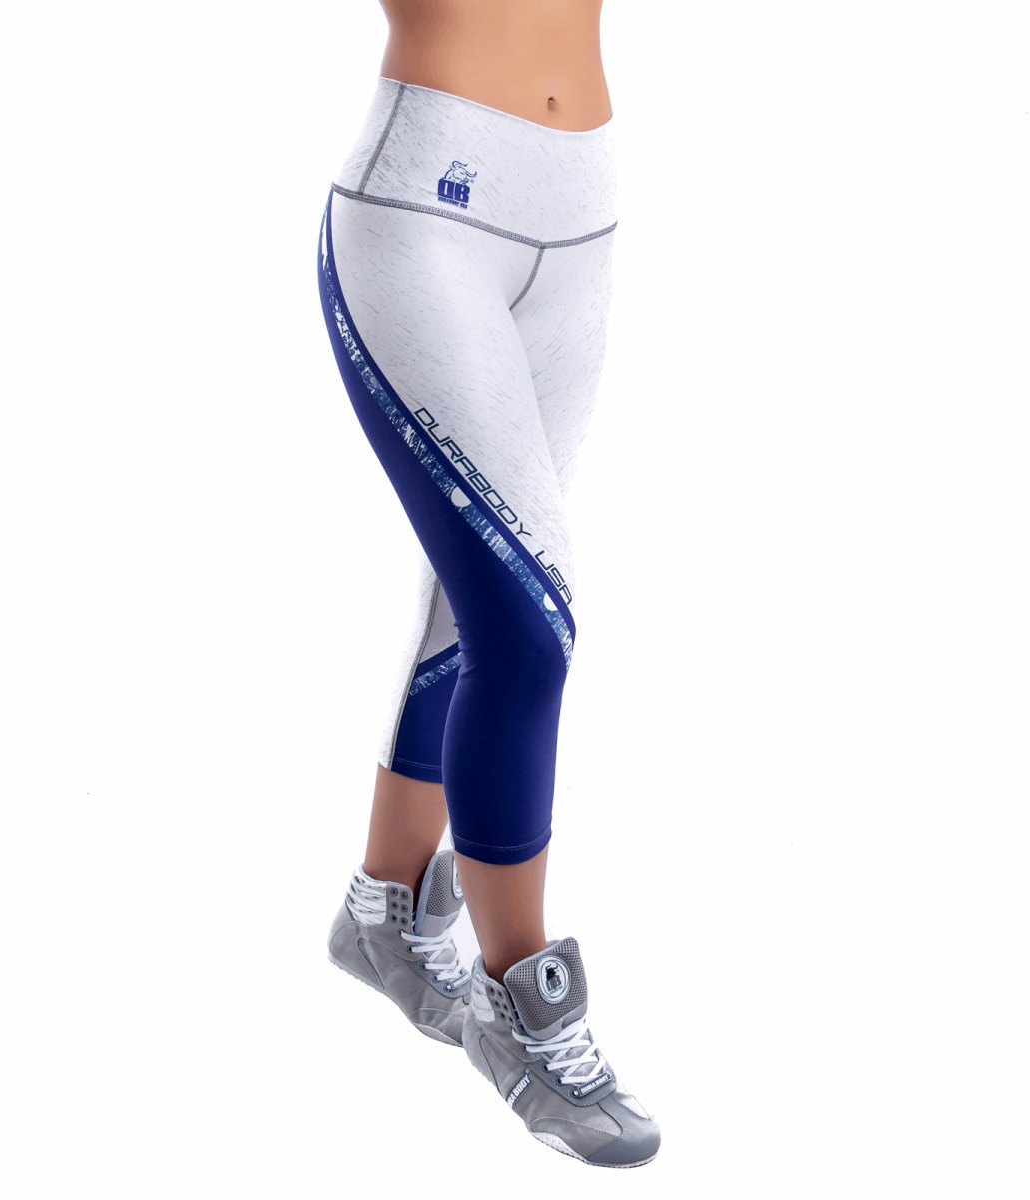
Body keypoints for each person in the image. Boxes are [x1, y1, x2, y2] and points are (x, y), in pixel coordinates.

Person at [315, 0, 659, 1169]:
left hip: (582, 212)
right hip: (427, 208)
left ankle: (386, 912)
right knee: (527, 629)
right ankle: (523, 1006)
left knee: (481, 599)